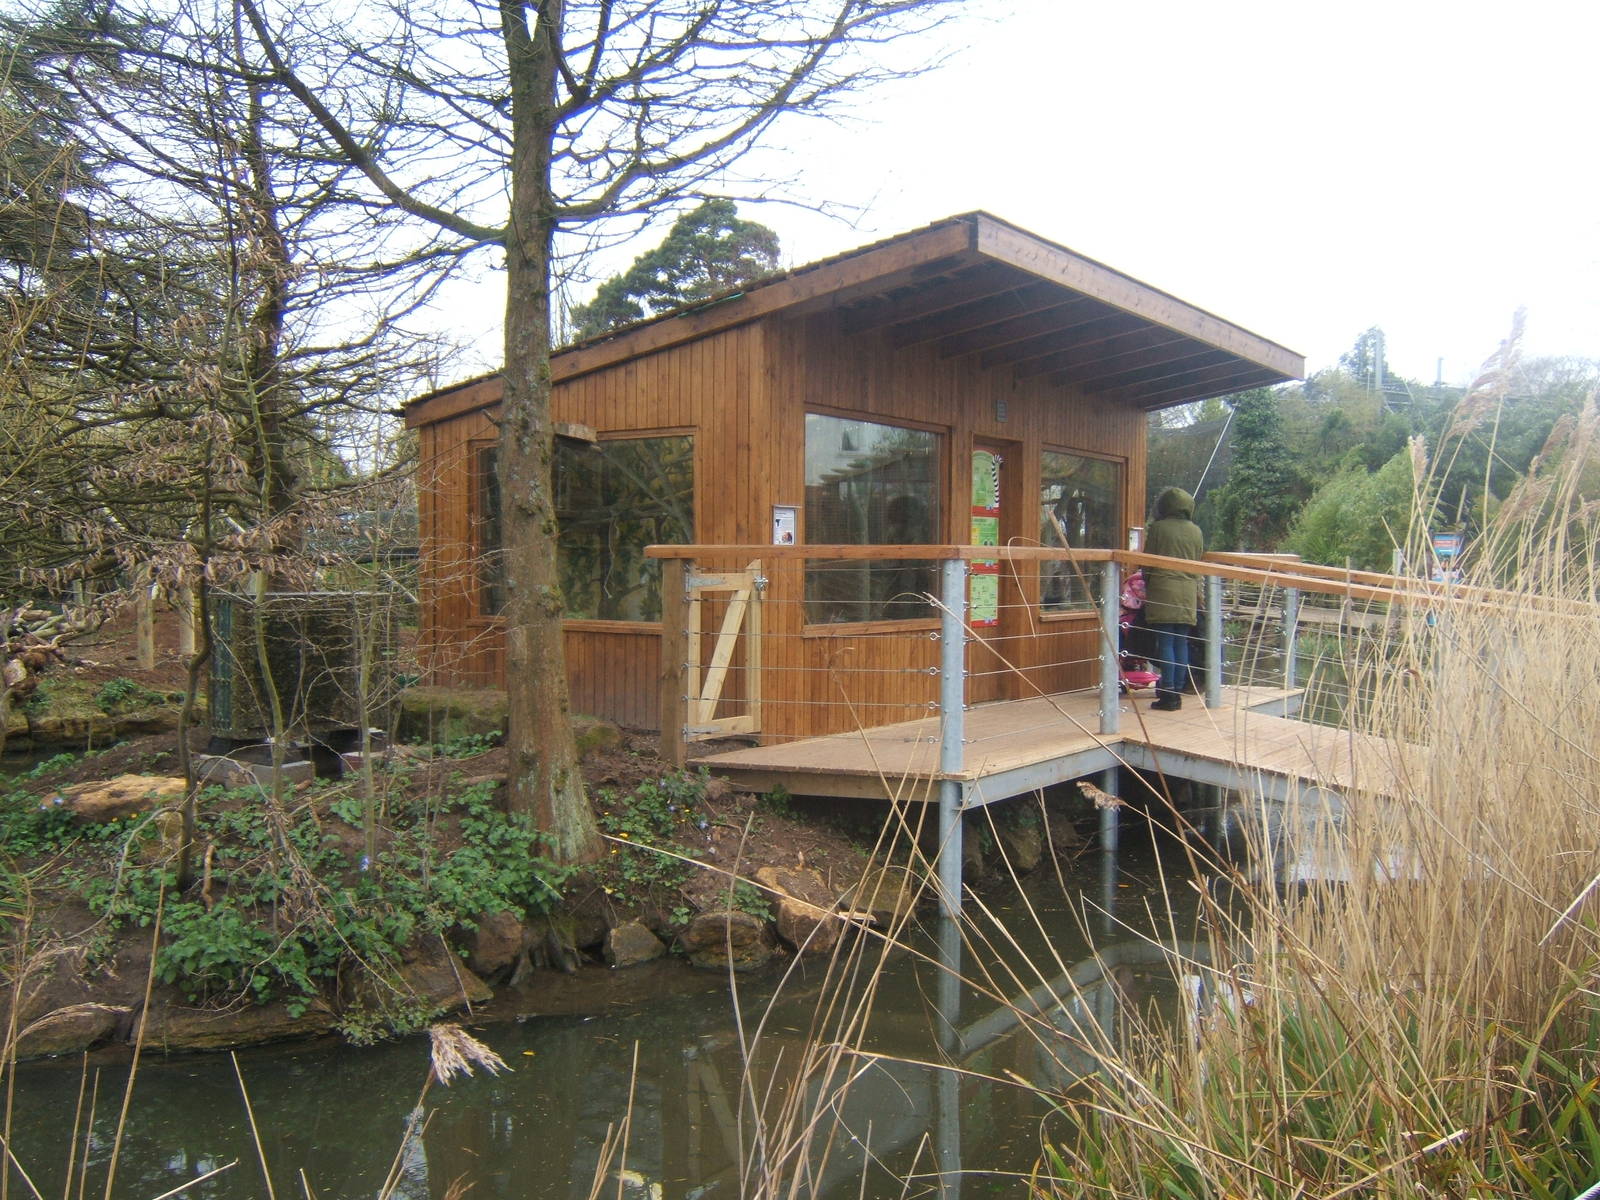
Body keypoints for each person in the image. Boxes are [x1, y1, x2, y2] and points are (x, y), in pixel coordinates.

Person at [1142, 487, 1204, 711]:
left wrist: (1148, 583)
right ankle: (1176, 690)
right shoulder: (1196, 531)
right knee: (1181, 642)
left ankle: (1167, 692)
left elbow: (1147, 562)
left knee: (1166, 642)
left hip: (1163, 590)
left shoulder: (1158, 529)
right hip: (1188, 592)